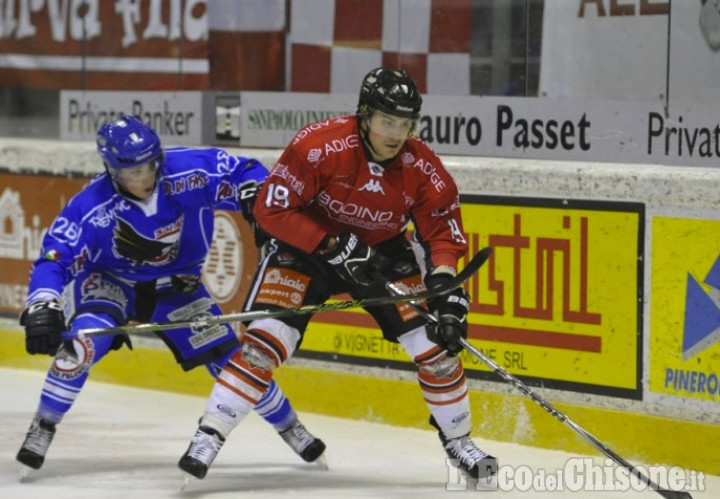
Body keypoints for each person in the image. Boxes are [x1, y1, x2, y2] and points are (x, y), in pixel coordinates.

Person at [177, 67, 497, 481]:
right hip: (306, 250)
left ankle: (460, 442)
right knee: (264, 345)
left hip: (381, 254)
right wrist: (331, 245)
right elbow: (270, 210)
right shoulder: (319, 146)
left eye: (404, 123)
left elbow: (443, 236)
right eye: (387, 121)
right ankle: (209, 435)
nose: (396, 133)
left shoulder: (424, 167)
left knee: (436, 349)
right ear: (364, 115)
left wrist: (445, 290)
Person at [16, 115, 326, 474]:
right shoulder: (91, 206)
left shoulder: (190, 172)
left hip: (179, 288)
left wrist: (254, 191)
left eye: (150, 166)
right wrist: (42, 303)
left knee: (235, 362)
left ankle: (291, 427)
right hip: (111, 284)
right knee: (80, 347)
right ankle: (43, 424)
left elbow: (244, 170)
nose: (145, 178)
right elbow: (55, 256)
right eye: (133, 173)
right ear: (112, 170)